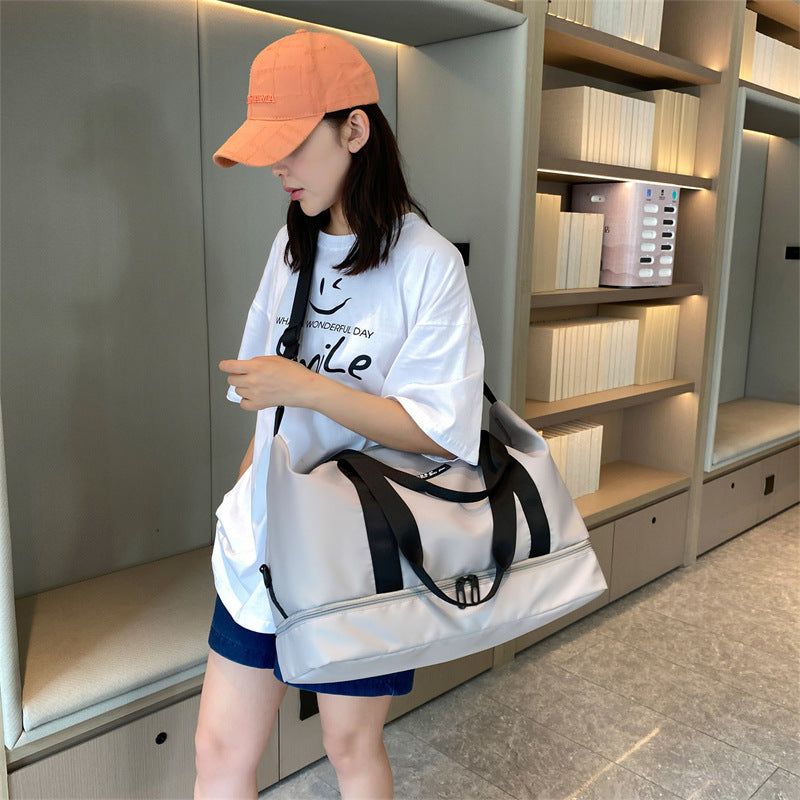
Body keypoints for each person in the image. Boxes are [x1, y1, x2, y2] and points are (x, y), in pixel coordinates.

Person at [194, 28, 485, 800]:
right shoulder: (290, 251)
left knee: (349, 747)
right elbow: (264, 413)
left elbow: (440, 431)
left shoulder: (428, 265)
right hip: (263, 542)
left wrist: (308, 385)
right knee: (218, 748)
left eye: (292, 144)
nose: (279, 168)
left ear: (355, 130)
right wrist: (242, 506)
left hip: (364, 550)